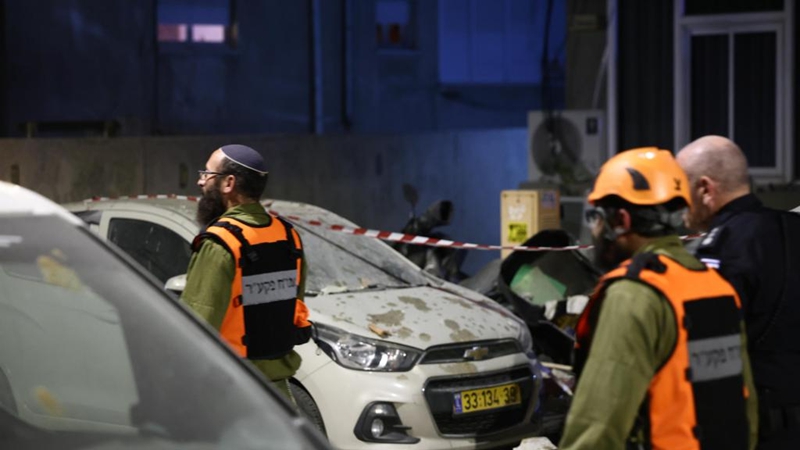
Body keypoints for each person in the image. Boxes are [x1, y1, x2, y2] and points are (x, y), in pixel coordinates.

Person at [559, 147, 758, 450]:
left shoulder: (633, 295)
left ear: (621, 220)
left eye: (596, 218)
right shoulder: (716, 285)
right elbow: (746, 410)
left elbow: (597, 426)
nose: (595, 230)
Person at [678, 135, 800, 449]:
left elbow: (708, 349)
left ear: (705, 189)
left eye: (680, 187)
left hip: (760, 428)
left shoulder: (723, 247)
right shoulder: (790, 227)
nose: (677, 202)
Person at [181, 144, 312, 402]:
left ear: (228, 183)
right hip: (280, 395)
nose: (200, 181)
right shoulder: (288, 237)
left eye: (207, 174)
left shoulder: (221, 243)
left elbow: (197, 325)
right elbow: (294, 306)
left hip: (231, 392)